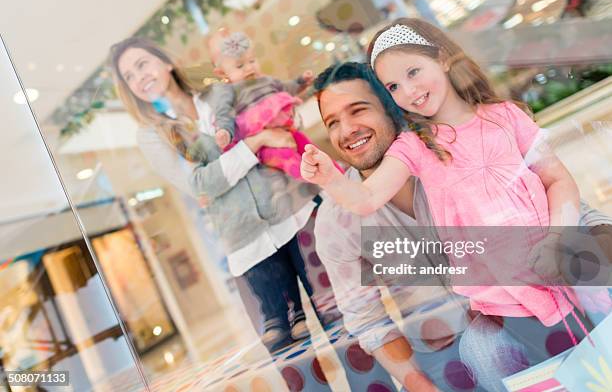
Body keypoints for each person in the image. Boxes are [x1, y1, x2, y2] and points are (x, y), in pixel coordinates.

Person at [311, 61, 612, 390]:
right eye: (333, 123)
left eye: (358, 110)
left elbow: (564, 208)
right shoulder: (336, 221)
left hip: (529, 303)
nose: (346, 130)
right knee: (482, 350)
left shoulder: (455, 149)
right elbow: (368, 321)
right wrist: (424, 388)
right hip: (443, 350)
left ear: (392, 107)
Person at [109, 37, 325, 352]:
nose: (138, 77)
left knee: (344, 317)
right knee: (293, 361)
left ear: (165, 62)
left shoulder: (218, 93)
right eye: (129, 76)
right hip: (249, 247)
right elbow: (199, 185)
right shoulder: (152, 135)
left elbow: (276, 117)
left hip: (294, 211)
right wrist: (255, 143)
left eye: (142, 64)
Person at [206, 28, 317, 180]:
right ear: (223, 73)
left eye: (252, 61)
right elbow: (223, 113)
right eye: (240, 66)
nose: (249, 67)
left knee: (310, 150)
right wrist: (224, 131)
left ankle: (331, 173)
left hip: (287, 130)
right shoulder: (230, 90)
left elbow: (285, 88)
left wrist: (301, 82)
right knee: (286, 157)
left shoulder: (266, 80)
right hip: (263, 143)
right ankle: (311, 178)